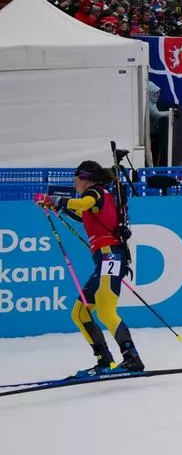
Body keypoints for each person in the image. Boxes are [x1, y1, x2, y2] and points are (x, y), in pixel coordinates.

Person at [33, 161, 144, 376]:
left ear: (85, 178)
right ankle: (104, 361)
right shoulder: (93, 198)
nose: (74, 182)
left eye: (76, 178)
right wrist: (55, 206)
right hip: (103, 259)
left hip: (110, 256)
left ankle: (132, 359)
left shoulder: (96, 193)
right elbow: (81, 212)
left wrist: (53, 199)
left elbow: (83, 205)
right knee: (80, 312)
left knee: (105, 310)